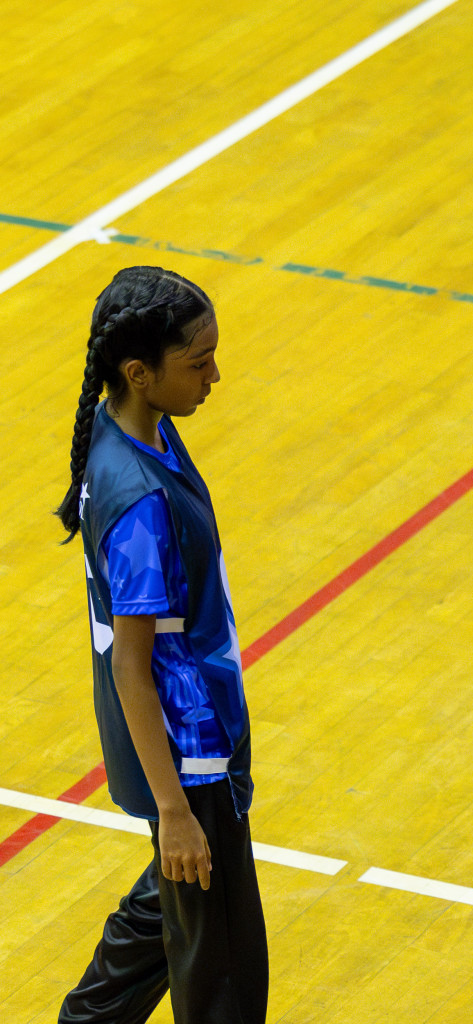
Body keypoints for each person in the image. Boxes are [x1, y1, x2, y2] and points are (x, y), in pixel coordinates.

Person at [55, 267, 267, 1023]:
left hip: (192, 744)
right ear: (140, 374)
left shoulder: (135, 429)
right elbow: (133, 670)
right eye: (199, 362)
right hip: (190, 752)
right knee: (227, 981)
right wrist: (177, 812)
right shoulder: (139, 501)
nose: (216, 374)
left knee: (167, 913)